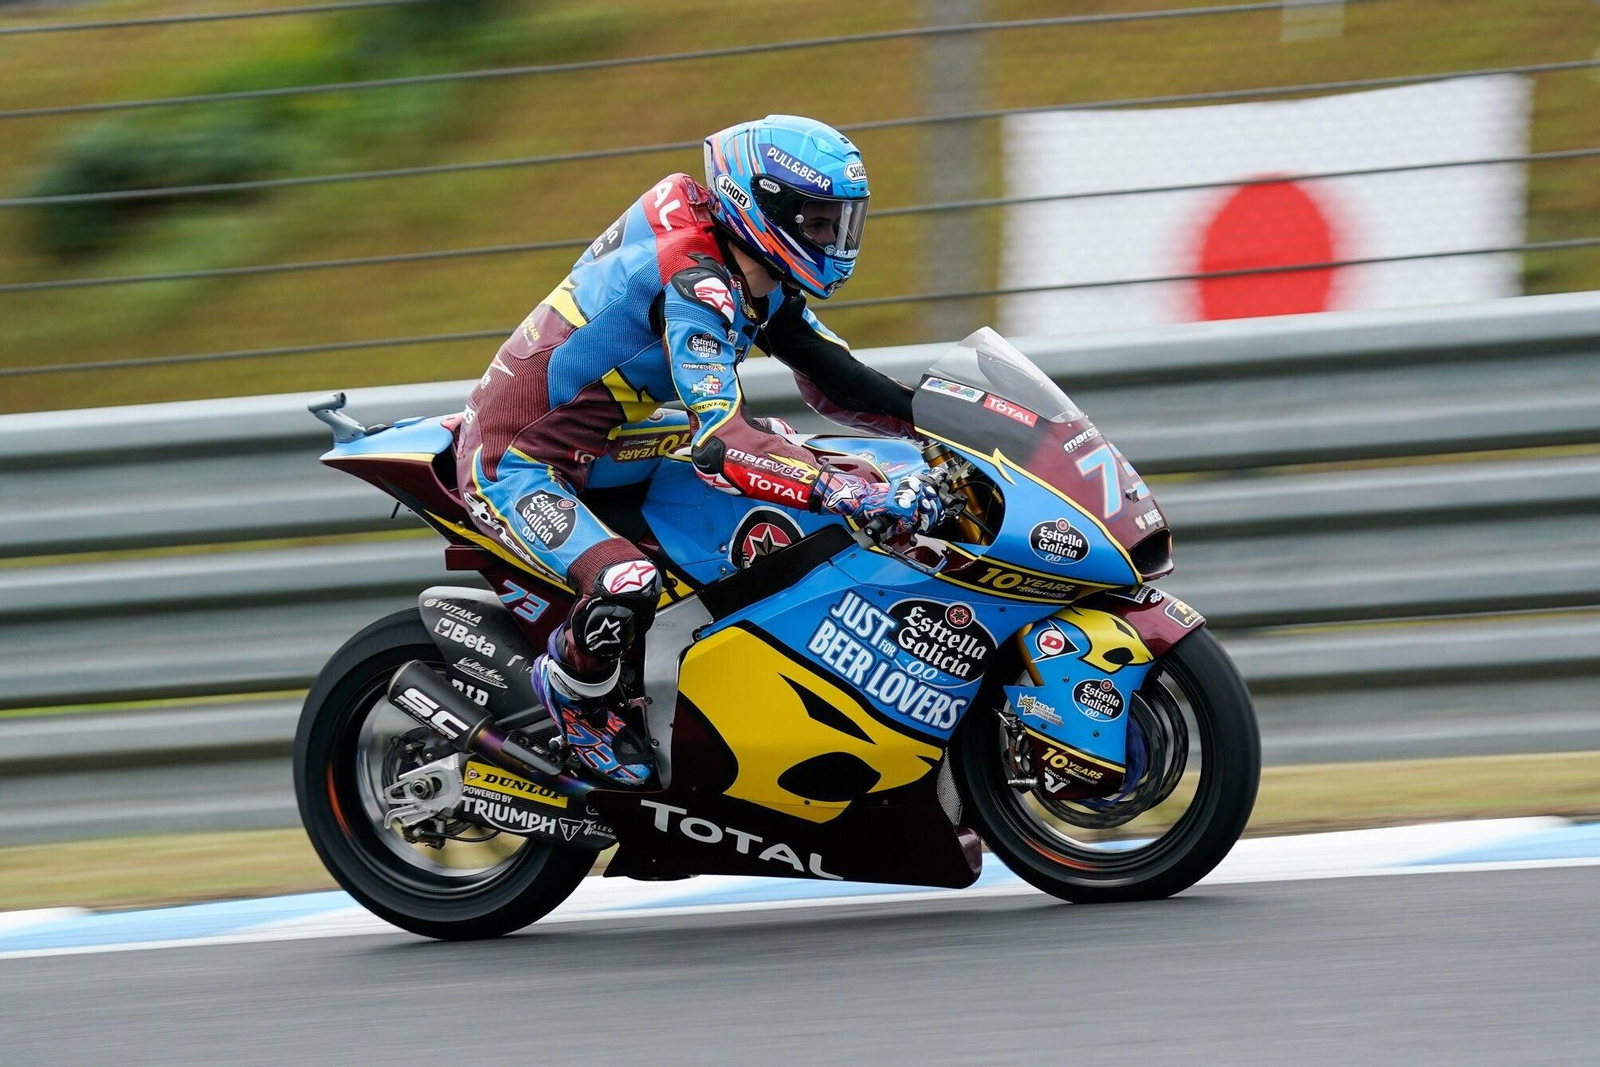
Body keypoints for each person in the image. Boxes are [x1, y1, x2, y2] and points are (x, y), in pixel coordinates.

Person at [456, 114, 947, 786]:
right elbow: (720, 442)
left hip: (606, 439)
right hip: (516, 460)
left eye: (841, 221)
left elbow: (832, 375)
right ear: (762, 205)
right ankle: (574, 698)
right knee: (629, 581)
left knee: (805, 451)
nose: (834, 238)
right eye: (819, 221)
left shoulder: (749, 263)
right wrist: (836, 492)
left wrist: (936, 422)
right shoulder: (698, 283)